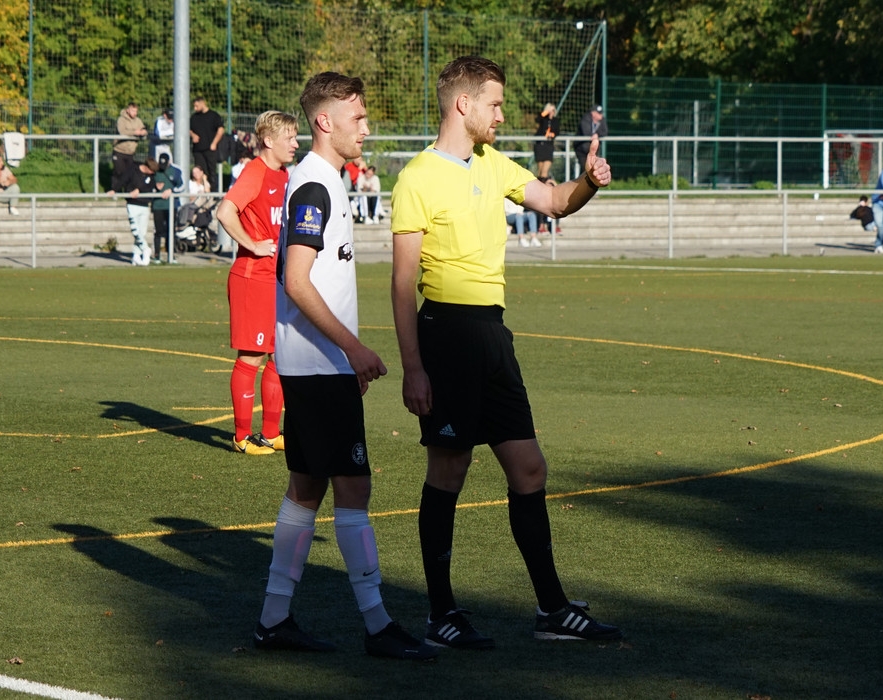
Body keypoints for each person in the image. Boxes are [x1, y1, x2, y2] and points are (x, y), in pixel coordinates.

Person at [390, 55, 623, 650]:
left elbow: (555, 201)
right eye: (494, 104)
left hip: (493, 336)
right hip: (446, 336)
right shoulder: (417, 177)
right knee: (450, 470)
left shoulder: (492, 164)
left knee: (529, 468)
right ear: (463, 104)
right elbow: (402, 282)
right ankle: (441, 614)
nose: (501, 115)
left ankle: (551, 610)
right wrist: (413, 368)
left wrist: (589, 183)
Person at [255, 71, 437, 661]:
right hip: (316, 368)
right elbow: (296, 281)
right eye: (356, 117)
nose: (366, 127)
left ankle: (274, 619)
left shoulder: (325, 180)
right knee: (352, 488)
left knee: (307, 489)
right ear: (323, 122)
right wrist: (353, 349)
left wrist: (345, 356)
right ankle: (378, 626)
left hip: (317, 366)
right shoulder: (315, 185)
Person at [214, 110, 298, 455]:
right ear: (268, 140)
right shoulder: (255, 171)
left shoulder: (285, 174)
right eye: (289, 138)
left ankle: (270, 433)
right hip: (252, 278)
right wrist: (252, 244)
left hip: (276, 279)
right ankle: (241, 437)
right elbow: (225, 211)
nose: (295, 144)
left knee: (279, 355)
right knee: (252, 356)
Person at [120, 158, 159, 265]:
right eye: (152, 171)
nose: (152, 173)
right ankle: (145, 248)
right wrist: (114, 189)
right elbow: (123, 181)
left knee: (142, 232)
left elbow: (150, 187)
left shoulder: (151, 176)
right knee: (135, 230)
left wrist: (139, 190)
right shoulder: (133, 170)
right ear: (147, 167)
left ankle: (136, 256)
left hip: (144, 205)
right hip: (132, 203)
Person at [150, 153, 182, 263]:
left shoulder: (176, 171)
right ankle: (157, 255)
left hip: (171, 206)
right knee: (158, 231)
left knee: (171, 230)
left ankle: (171, 255)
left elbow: (181, 186)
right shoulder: (155, 171)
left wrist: (171, 191)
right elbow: (148, 185)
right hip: (158, 205)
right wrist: (155, 188)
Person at [190, 96, 225, 193]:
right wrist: (193, 135)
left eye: (197, 106)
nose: (195, 108)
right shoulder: (194, 117)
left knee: (211, 172)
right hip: (198, 150)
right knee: (199, 171)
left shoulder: (213, 116)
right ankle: (201, 191)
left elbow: (221, 130)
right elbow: (188, 129)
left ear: (203, 103)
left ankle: (214, 192)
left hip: (210, 149)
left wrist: (214, 143)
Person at [112, 102, 148, 192]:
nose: (134, 113)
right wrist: (135, 132)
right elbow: (122, 131)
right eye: (133, 111)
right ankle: (114, 190)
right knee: (118, 171)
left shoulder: (138, 121)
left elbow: (143, 129)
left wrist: (143, 132)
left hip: (130, 152)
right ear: (128, 110)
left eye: (136, 111)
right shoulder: (121, 120)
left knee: (129, 173)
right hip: (119, 150)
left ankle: (127, 191)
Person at [574, 104, 606, 176]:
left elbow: (605, 131)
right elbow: (586, 132)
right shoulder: (585, 119)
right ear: (593, 113)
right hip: (581, 148)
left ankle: (589, 182)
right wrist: (593, 135)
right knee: (584, 168)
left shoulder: (602, 120)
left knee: (592, 168)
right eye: (599, 113)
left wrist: (597, 134)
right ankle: (581, 182)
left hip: (593, 148)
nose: (601, 115)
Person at [533, 103, 559, 180]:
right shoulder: (543, 119)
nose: (551, 112)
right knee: (540, 172)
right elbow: (537, 119)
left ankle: (544, 185)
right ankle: (539, 185)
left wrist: (552, 134)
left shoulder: (555, 120)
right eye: (550, 110)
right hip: (540, 146)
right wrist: (546, 112)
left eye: (553, 110)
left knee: (544, 172)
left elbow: (557, 131)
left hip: (548, 146)